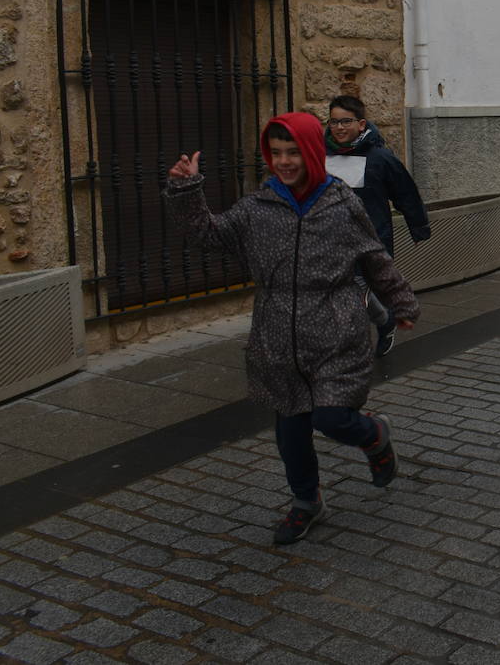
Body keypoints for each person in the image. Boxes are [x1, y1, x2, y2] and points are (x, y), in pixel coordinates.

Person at [165, 112, 419, 545]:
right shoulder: (256, 209)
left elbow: (374, 258)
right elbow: (209, 234)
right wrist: (188, 189)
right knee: (292, 434)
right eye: (276, 153)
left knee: (333, 417)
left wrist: (400, 302)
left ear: (312, 152)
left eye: (293, 152)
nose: (284, 161)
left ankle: (375, 435)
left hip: (337, 331)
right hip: (277, 338)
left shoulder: (342, 205)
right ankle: (307, 502)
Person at [325, 95, 431, 357]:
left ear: (361, 124)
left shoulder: (380, 158)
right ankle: (384, 322)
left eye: (345, 122)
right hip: (330, 240)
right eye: (334, 122)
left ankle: (358, 339)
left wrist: (418, 228)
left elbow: (405, 193)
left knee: (356, 289)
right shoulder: (321, 156)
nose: (339, 128)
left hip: (370, 240)